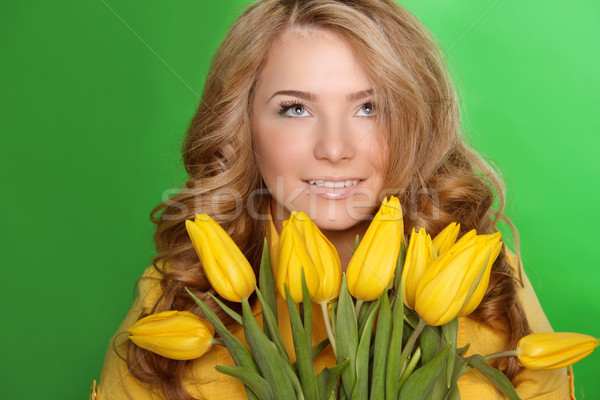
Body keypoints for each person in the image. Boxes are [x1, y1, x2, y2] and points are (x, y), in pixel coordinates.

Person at [95, 0, 573, 399]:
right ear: (242, 129)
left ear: (414, 125)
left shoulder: (485, 283)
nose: (335, 148)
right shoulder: (181, 296)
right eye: (295, 108)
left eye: (370, 107)